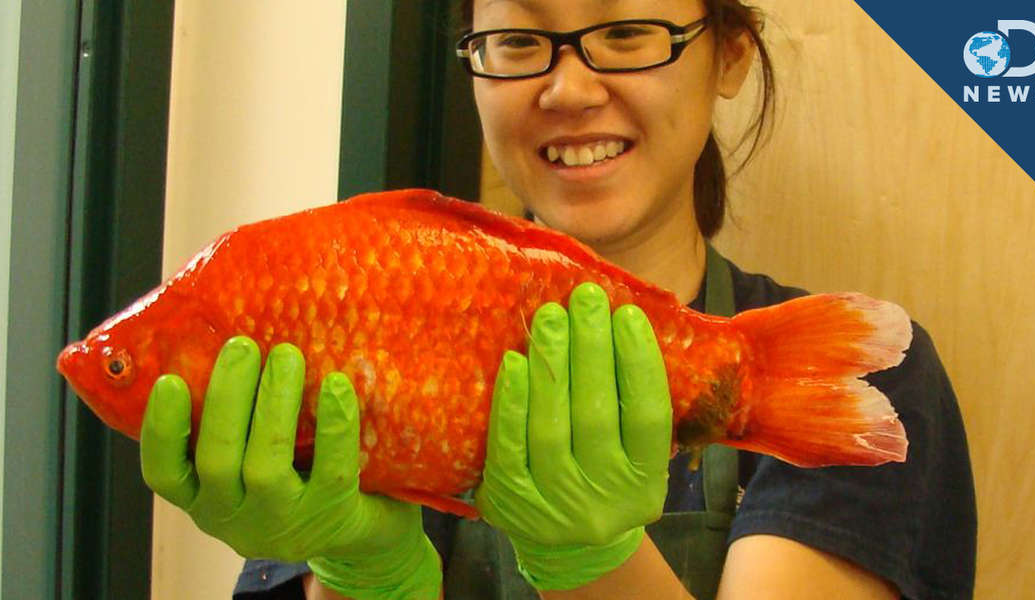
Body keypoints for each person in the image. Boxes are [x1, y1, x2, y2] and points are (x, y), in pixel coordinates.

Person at [140, 1, 978, 598]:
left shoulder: (878, 391)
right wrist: (365, 574)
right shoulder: (319, 346)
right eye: (515, 41)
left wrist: (590, 557)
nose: (569, 90)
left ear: (728, 52)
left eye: (624, 34)